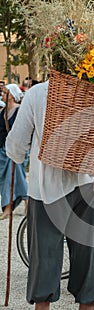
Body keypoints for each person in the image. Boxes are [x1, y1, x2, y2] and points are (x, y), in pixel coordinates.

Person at [6, 81, 94, 310]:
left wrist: (15, 155)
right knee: (88, 245)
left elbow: (17, 141)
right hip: (86, 182)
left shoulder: (38, 93)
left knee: (45, 247)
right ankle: (88, 308)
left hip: (46, 185)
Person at [0, 84, 28, 220]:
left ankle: (8, 208)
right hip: (3, 151)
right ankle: (26, 201)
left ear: (11, 95)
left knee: (15, 178)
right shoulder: (2, 111)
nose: (2, 95)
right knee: (5, 179)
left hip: (17, 150)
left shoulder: (20, 111)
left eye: (5, 93)